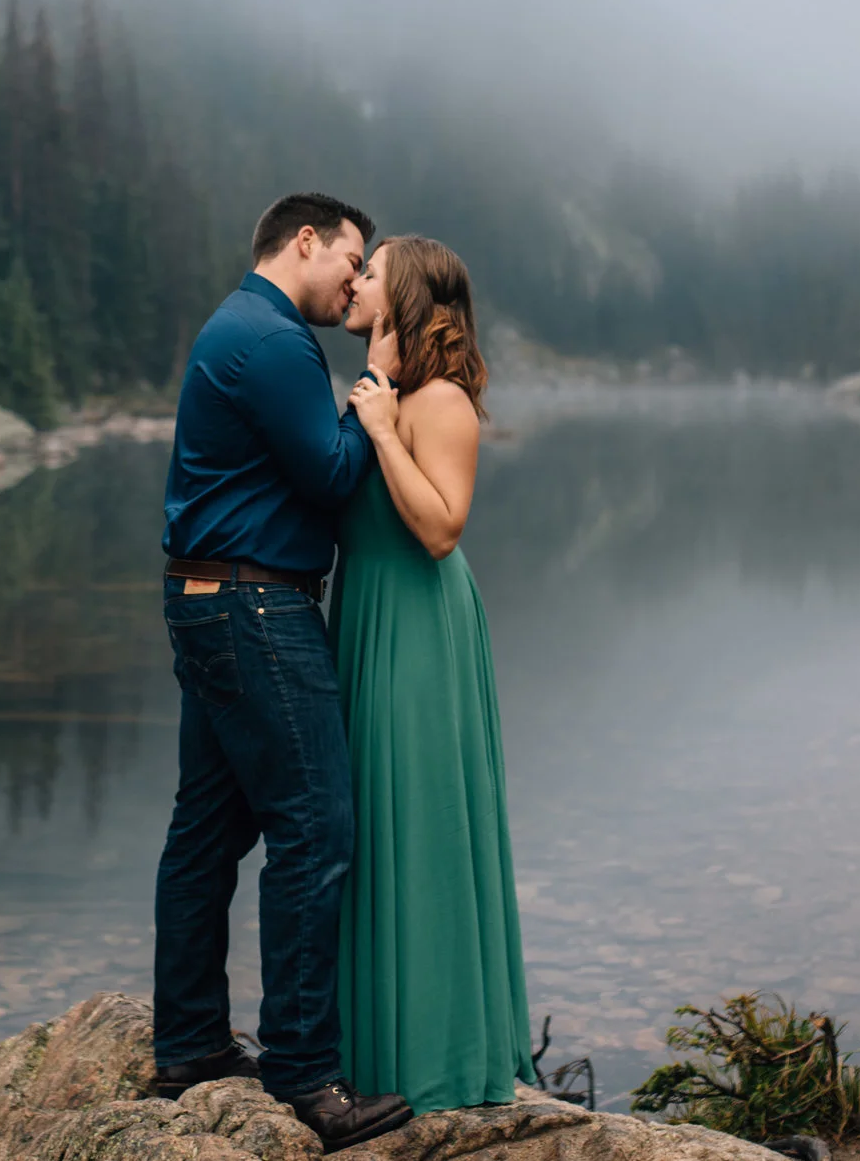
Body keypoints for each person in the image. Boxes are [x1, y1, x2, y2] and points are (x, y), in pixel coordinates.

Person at [152, 192, 417, 1152]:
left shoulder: (239, 324)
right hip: (256, 607)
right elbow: (334, 473)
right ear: (304, 241)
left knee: (208, 830)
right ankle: (305, 1070)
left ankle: (186, 1045)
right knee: (315, 828)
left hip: (208, 596)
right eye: (351, 260)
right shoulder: (271, 340)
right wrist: (377, 379)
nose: (356, 280)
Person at [333, 235, 531, 1111]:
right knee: (373, 825)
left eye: (369, 271)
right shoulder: (393, 391)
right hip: (368, 614)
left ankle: (441, 1061)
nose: (354, 280)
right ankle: (370, 1053)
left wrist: (380, 428)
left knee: (419, 822)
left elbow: (443, 526)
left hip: (419, 623)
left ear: (404, 292)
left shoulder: (439, 399)